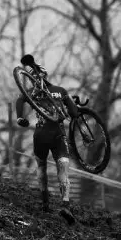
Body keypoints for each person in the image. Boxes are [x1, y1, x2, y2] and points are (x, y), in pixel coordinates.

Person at [15, 54, 79, 224]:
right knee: (63, 169)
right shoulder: (60, 90)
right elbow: (74, 114)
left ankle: (45, 203)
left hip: (41, 134)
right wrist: (75, 109)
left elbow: (19, 101)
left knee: (41, 166)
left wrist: (19, 118)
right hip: (59, 135)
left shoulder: (31, 92)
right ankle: (65, 205)